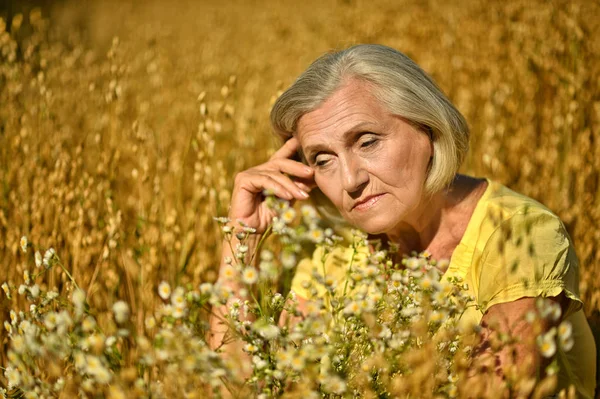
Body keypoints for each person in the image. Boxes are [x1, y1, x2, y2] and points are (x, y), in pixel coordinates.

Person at [210, 44, 596, 397]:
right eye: (322, 159)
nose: (350, 181)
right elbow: (239, 389)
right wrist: (240, 240)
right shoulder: (337, 258)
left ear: (427, 128)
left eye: (367, 141)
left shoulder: (518, 234)